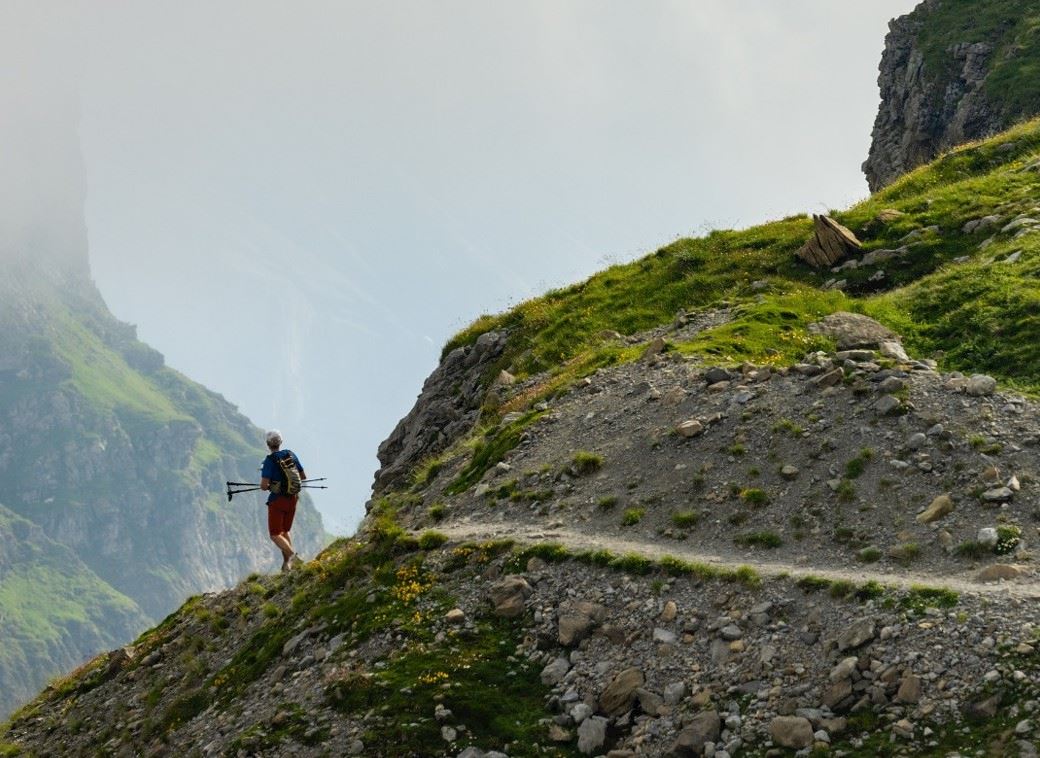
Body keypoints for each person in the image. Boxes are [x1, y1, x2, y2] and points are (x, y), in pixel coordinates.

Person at [260, 429, 306, 572]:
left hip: (277, 501)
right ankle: (288, 565)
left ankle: (292, 556)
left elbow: (263, 486)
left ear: (268, 444)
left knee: (275, 534)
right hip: (293, 498)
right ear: (281, 442)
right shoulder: (290, 455)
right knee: (285, 531)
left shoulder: (269, 461)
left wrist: (272, 485)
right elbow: (303, 477)